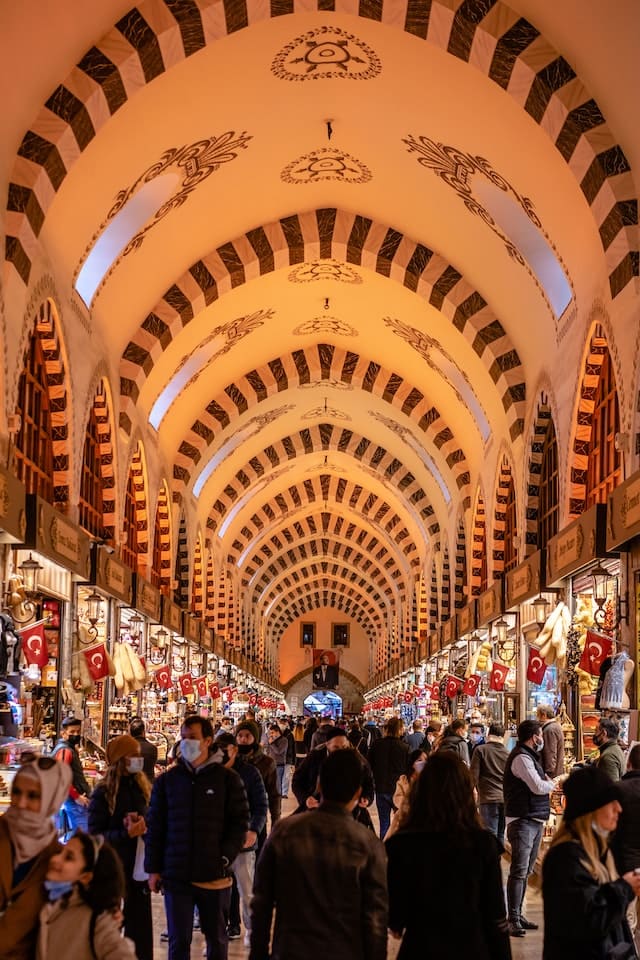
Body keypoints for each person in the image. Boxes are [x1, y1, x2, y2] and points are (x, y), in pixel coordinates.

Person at [250, 748, 388, 960]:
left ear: (319, 785)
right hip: (345, 950)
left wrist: (258, 952)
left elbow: (262, 901)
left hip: (292, 948)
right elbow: (375, 918)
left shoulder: (285, 832)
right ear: (358, 792)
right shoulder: (368, 844)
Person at [386, 751, 511, 959]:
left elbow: (396, 919)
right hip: (472, 948)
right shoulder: (483, 845)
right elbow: (496, 916)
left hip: (421, 948)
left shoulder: (402, 845)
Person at [144, 715, 249, 960]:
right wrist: (153, 869)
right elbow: (156, 826)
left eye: (192, 738)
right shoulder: (168, 781)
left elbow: (239, 823)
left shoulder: (227, 780)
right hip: (176, 874)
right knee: (178, 941)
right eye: (183, 738)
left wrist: (224, 858)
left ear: (208, 741)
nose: (185, 743)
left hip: (214, 876)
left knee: (216, 939)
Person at [542, 764, 640, 959]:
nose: (618, 809)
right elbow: (586, 920)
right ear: (591, 809)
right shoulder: (566, 857)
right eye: (610, 803)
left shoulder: (597, 851)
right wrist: (624, 888)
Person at [88, 734, 153, 960]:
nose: (139, 758)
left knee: (141, 928)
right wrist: (125, 834)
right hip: (113, 870)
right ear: (120, 759)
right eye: (133, 755)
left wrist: (146, 826)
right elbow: (95, 837)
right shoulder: (103, 794)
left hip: (139, 868)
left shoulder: (142, 787)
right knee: (110, 928)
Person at [0, 756, 71, 959]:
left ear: (52, 799)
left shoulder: (58, 859)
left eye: (33, 796)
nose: (21, 803)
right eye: (17, 792)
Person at [36, 831, 136, 959]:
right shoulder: (49, 902)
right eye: (59, 853)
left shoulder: (97, 920)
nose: (55, 859)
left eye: (69, 857)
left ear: (86, 876)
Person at [503, 718, 558, 937]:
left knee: (526, 871)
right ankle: (513, 918)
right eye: (540, 736)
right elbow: (538, 787)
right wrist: (552, 784)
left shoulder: (530, 757)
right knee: (519, 870)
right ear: (533, 737)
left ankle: (519, 914)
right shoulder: (522, 759)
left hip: (533, 819)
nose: (542, 739)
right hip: (522, 820)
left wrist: (546, 784)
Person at [215, 732, 268, 947]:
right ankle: (219, 928)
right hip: (216, 842)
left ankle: (252, 931)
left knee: (246, 890)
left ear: (234, 750)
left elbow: (260, 806)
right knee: (216, 889)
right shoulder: (211, 772)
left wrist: (254, 830)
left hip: (242, 842)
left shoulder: (250, 773)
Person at [291, 726, 375, 828]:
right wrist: (305, 798)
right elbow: (297, 780)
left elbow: (368, 782)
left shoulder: (358, 760)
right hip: (317, 810)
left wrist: (367, 798)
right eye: (336, 747)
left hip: (352, 813)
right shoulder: (315, 756)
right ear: (327, 745)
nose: (341, 751)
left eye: (344, 747)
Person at [610, 743, 640, 944]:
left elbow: (610, 832)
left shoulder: (618, 790)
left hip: (626, 867)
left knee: (627, 922)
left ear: (628, 763)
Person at [234, 720, 281, 847]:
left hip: (257, 817)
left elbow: (274, 794)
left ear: (255, 738)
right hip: (233, 818)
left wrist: (275, 820)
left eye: (247, 736)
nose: (243, 739)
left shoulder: (266, 763)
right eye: (240, 735)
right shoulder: (231, 760)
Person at [367, 716, 409, 838]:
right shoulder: (404, 747)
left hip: (381, 787)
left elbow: (369, 765)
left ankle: (384, 847)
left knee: (384, 822)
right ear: (400, 729)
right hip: (397, 790)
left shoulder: (376, 745)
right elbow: (407, 770)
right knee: (399, 822)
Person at [470, 722, 509, 846]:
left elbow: (473, 776)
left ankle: (491, 863)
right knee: (501, 833)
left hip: (488, 798)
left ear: (488, 733)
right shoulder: (508, 753)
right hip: (504, 799)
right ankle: (496, 863)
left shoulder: (480, 750)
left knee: (489, 834)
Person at [52, 716, 91, 836]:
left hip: (73, 800)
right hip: (74, 801)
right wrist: (76, 797)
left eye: (78, 732)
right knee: (83, 837)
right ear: (63, 734)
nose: (76, 735)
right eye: (72, 732)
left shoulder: (68, 749)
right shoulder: (65, 751)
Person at [385, 749, 426, 839]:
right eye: (419, 760)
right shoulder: (404, 779)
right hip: (405, 818)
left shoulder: (428, 780)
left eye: (425, 760)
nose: (423, 763)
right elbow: (397, 798)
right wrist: (409, 806)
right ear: (412, 763)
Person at [536, 705, 565, 778]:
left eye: (538, 715)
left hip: (552, 775)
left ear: (544, 715)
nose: (537, 717)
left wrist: (548, 774)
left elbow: (551, 753)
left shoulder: (550, 729)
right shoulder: (553, 726)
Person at [594, 716, 625, 781]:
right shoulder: (615, 749)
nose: (594, 734)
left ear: (604, 733)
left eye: (596, 731)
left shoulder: (608, 756)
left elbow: (612, 787)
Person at [129, 717, 158, 783]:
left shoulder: (127, 748)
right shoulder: (152, 748)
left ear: (130, 733)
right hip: (148, 785)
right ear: (143, 732)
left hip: (131, 786)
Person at [265, 723, 288, 796]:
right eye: (270, 733)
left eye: (272, 732)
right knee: (270, 783)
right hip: (270, 765)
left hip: (279, 765)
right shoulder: (271, 740)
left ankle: (278, 800)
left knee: (278, 784)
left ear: (277, 731)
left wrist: (271, 744)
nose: (271, 734)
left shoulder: (284, 740)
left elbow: (279, 751)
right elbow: (268, 751)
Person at [277, 719, 296, 799]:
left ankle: (284, 793)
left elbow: (293, 747)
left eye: (283, 723)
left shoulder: (289, 734)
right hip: (278, 758)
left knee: (286, 776)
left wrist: (293, 760)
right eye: (281, 723)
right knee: (278, 776)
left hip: (288, 757)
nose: (282, 725)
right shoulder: (275, 733)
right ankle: (279, 792)